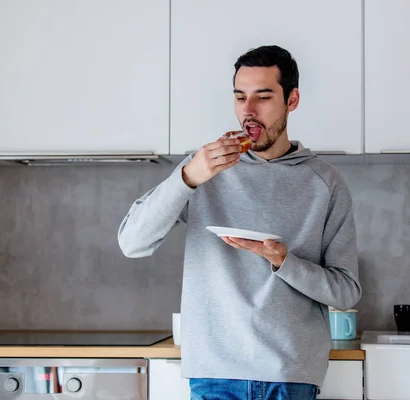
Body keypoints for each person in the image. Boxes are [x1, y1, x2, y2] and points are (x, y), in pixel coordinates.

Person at [118, 45, 361, 400]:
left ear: (291, 100)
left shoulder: (324, 184)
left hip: (290, 375)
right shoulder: (204, 168)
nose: (248, 111)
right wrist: (186, 177)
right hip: (215, 374)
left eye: (263, 97)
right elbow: (131, 243)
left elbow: (345, 291)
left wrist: (283, 261)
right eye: (240, 97)